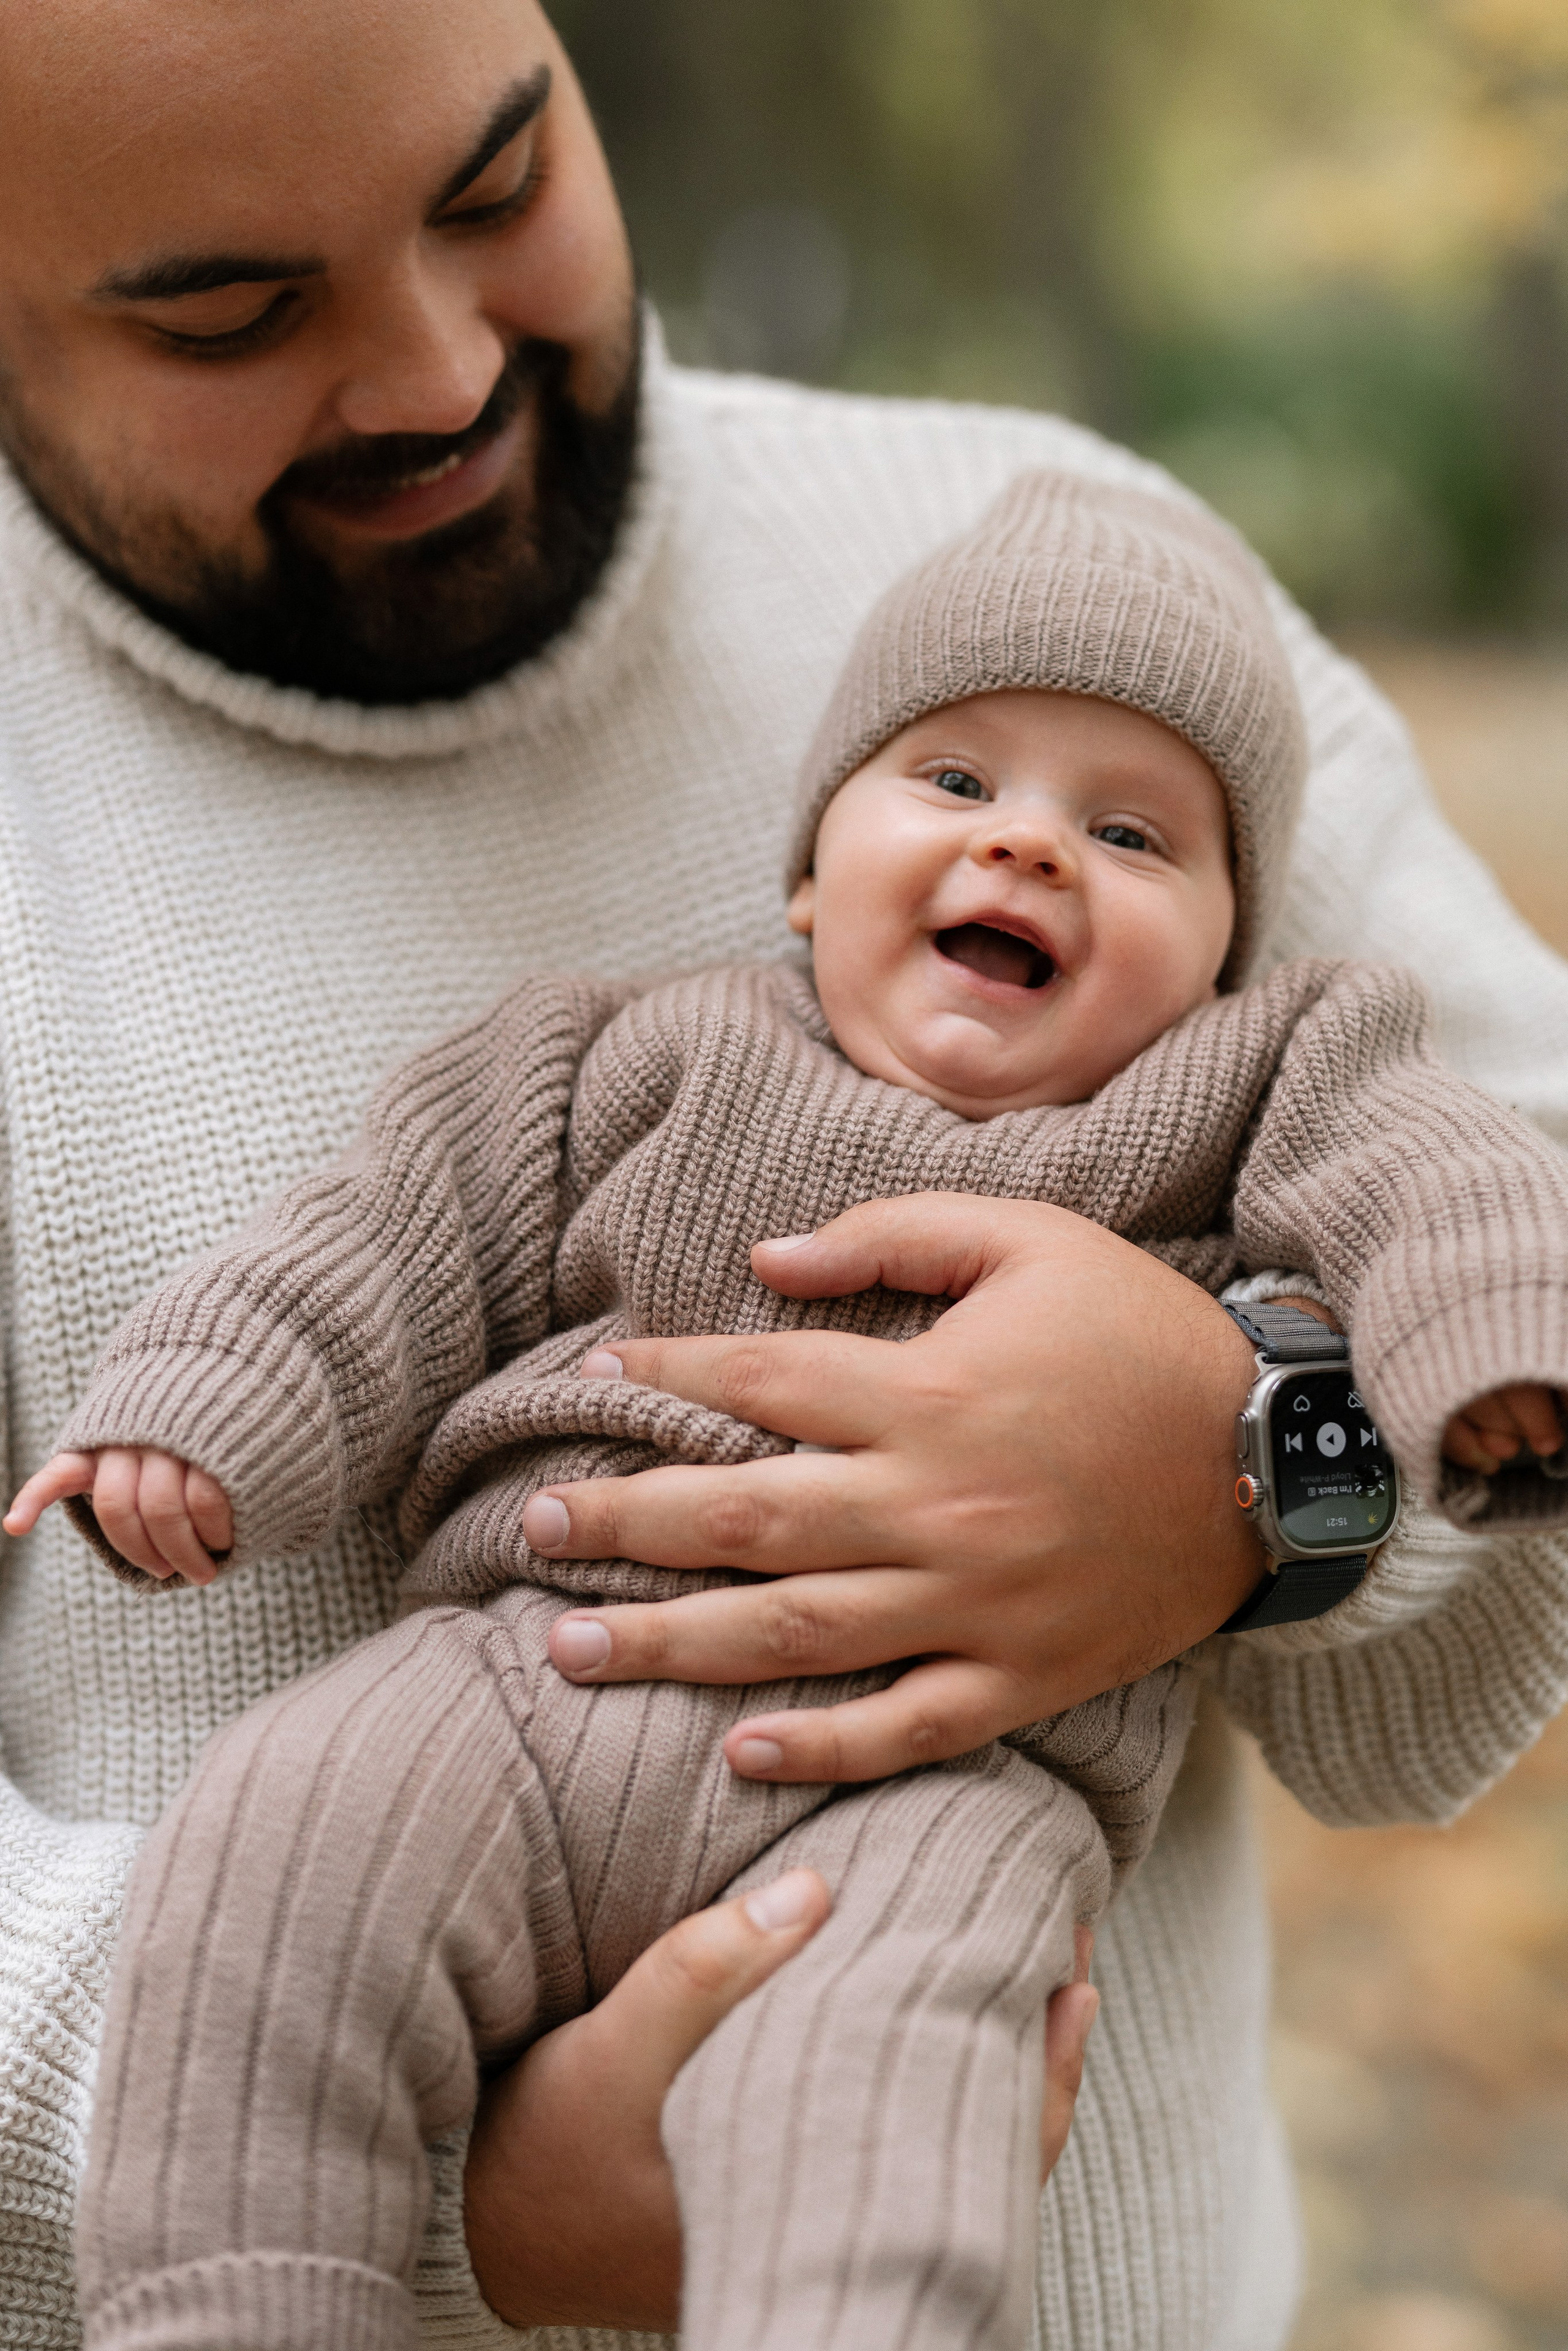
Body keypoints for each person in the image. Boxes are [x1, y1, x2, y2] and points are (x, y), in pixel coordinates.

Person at [0, 1, 1565, 2343]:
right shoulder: (613, 1056)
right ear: (803, 876)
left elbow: (1496, 1223)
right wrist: (445, 2177)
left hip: (954, 1835)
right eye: (230, 308)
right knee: (296, 1835)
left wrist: (1268, 1456)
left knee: (893, 2059)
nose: (433, 371)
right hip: (485, 1724)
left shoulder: (1088, 592)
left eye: (498, 184)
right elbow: (373, 1250)